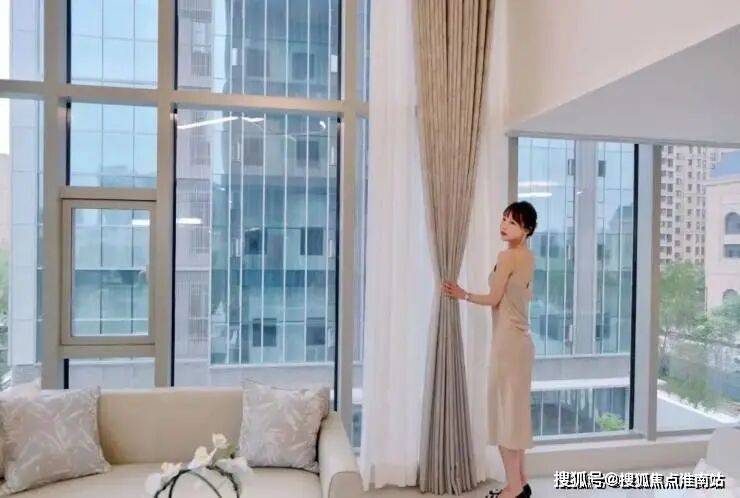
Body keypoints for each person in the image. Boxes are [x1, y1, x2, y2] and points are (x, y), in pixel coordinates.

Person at [442, 200, 538, 498]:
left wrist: (463, 294)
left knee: (505, 417)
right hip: (522, 344)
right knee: (515, 416)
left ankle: (514, 489)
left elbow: (494, 299)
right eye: (504, 219)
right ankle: (521, 482)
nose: (504, 225)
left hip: (508, 345)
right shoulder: (528, 257)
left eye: (513, 222)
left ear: (527, 229)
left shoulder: (507, 256)